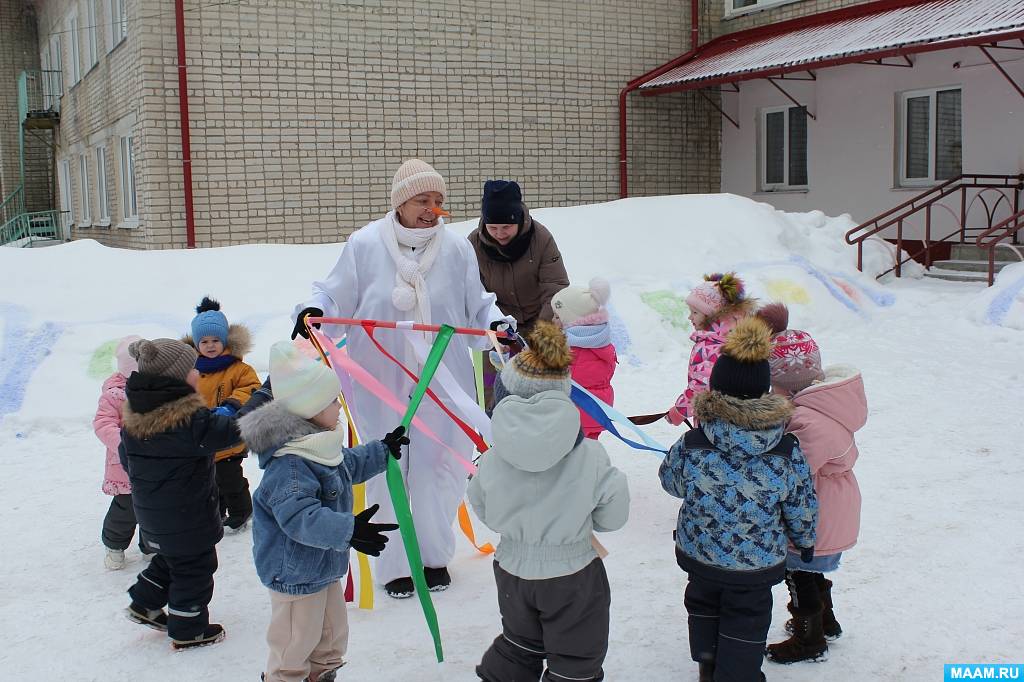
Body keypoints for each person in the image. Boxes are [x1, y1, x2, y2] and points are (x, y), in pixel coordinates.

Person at [292, 159, 511, 599]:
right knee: (385, 466)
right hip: (381, 379)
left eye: (439, 201)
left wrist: (497, 325)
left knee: (439, 466)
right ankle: (394, 563)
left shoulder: (455, 249)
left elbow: (478, 304)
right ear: (400, 202)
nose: (433, 210)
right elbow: (334, 294)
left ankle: (433, 558)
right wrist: (315, 312)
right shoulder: (364, 245)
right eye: (422, 201)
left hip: (442, 380)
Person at [659, 318, 818, 682]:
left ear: (716, 389)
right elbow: (801, 502)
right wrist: (805, 541)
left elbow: (671, 483)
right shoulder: (784, 449)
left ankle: (708, 665)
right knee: (746, 622)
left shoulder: (693, 443)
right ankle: (738, 674)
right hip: (755, 566)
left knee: (703, 608)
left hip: (701, 555)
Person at [469, 321, 629, 682]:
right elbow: (613, 517)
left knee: (520, 643)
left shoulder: (492, 457)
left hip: (512, 571)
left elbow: (482, 505)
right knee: (575, 658)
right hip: (572, 574)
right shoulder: (590, 455)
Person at [240, 341, 407, 682]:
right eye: (332, 401)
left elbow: (345, 465)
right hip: (294, 575)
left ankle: (322, 674)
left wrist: (381, 451)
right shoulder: (290, 465)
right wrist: (349, 530)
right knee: (293, 644)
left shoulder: (317, 443)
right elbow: (301, 518)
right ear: (308, 409)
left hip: (324, 567)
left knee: (331, 635)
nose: (339, 407)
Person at [119, 338, 241, 650]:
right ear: (174, 379)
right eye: (192, 369)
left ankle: (144, 603)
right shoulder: (189, 420)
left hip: (153, 514)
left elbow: (125, 459)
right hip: (188, 515)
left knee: (172, 557)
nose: (198, 374)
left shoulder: (135, 416)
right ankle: (189, 627)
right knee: (196, 566)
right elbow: (231, 430)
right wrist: (260, 398)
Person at [762, 305, 867, 664]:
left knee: (799, 574)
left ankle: (810, 638)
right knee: (810, 570)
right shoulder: (822, 406)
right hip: (831, 503)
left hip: (815, 512)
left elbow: (792, 473)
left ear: (782, 383)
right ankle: (826, 620)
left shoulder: (806, 420)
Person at [468, 180, 569, 406]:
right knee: (494, 394)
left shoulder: (541, 238)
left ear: (518, 219)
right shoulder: (473, 244)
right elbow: (473, 292)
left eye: (506, 227)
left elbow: (555, 287)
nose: (500, 234)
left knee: (541, 393)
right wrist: (497, 330)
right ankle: (493, 437)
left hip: (539, 323)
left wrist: (540, 336)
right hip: (498, 328)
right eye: (493, 228)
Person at [187, 296, 261, 530]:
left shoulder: (238, 368)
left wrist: (231, 406)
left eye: (215, 340)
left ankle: (241, 511)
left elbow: (251, 388)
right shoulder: (191, 370)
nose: (210, 345)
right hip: (203, 437)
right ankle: (217, 512)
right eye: (205, 341)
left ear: (225, 340)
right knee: (209, 481)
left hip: (229, 435)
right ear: (197, 344)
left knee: (230, 479)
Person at [666, 272, 756, 426]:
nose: (690, 317)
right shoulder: (740, 338)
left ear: (713, 316)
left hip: (713, 423)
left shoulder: (710, 346)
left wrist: (679, 411)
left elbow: (701, 388)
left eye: (695, 312)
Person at [93, 334, 144, 569]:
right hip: (125, 465)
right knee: (126, 508)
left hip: (154, 464)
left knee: (155, 508)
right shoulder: (115, 395)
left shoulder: (155, 389)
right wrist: (125, 444)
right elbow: (103, 424)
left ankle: (152, 545)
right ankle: (114, 545)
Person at [551, 277, 617, 439]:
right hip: (596, 413)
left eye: (557, 316)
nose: (552, 320)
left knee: (569, 459)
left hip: (573, 416)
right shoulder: (601, 343)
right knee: (586, 456)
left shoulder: (571, 348)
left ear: (572, 320)